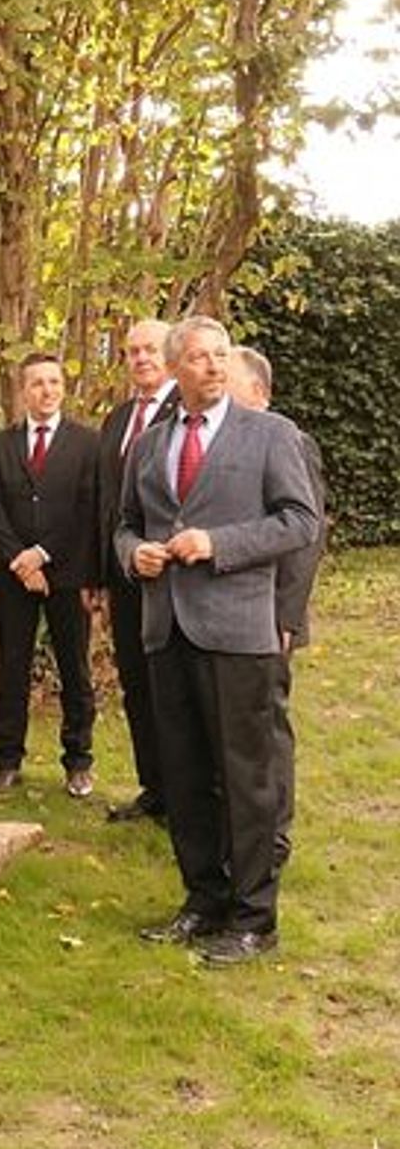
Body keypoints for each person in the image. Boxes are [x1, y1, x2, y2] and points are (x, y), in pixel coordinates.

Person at [118, 316, 319, 967]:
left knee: (246, 776)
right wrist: (135, 554)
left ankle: (255, 917)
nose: (212, 365)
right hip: (166, 626)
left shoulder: (270, 434)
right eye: (199, 356)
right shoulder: (150, 445)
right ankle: (202, 901)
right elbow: (123, 526)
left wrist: (220, 544)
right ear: (176, 367)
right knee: (183, 773)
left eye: (220, 355)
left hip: (237, 628)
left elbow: (299, 520)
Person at [0, 353, 101, 797]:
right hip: (14, 577)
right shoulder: (0, 446)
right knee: (13, 665)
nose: (47, 390)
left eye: (54, 382)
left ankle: (78, 761)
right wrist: (20, 560)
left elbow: (88, 511)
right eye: (37, 383)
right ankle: (7, 760)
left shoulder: (88, 445)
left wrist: (43, 555)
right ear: (22, 391)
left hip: (67, 573)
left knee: (74, 667)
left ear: (63, 388)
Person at [227, 344, 327, 876]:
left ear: (260, 394)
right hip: (233, 614)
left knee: (269, 725)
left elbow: (305, 538)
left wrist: (286, 616)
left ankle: (276, 833)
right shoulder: (226, 443)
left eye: (232, 383)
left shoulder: (289, 441)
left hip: (270, 616)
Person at [95, 319, 178, 822]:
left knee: (169, 684)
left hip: (171, 575)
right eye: (132, 352)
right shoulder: (119, 417)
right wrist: (98, 575)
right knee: (136, 684)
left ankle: (182, 793)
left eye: (150, 349)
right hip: (123, 574)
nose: (141, 358)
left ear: (169, 354)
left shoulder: (183, 412)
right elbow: (105, 502)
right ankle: (154, 787)